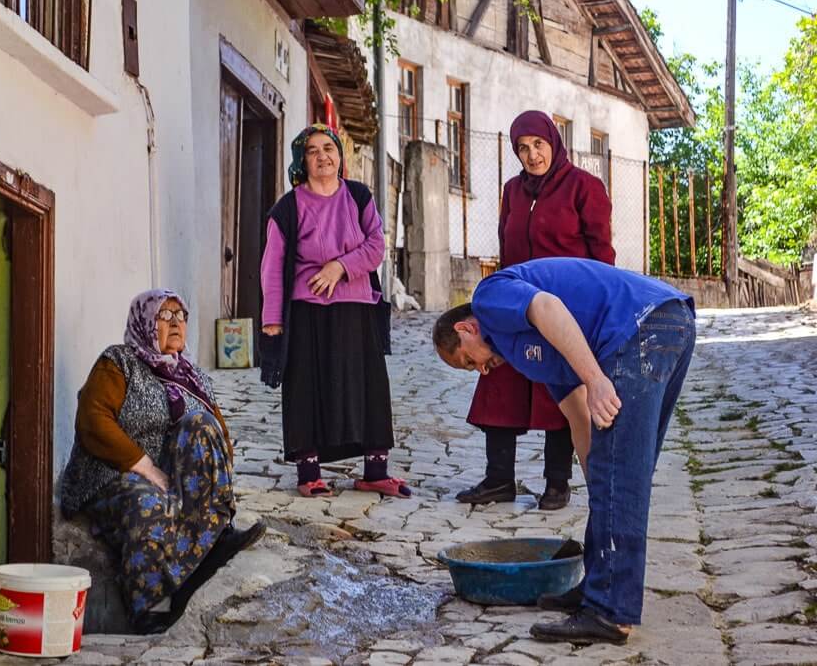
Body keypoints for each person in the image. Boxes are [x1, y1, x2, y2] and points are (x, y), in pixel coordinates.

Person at [433, 258, 695, 645]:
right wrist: (601, 488)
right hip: (664, 323)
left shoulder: (489, 298)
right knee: (619, 474)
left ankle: (608, 612)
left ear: (465, 328)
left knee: (620, 477)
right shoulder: (531, 354)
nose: (481, 370)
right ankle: (599, 587)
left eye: (469, 360)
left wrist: (596, 381)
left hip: (639, 327)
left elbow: (548, 307)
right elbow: (578, 418)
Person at [59, 289, 265, 634]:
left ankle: (217, 538)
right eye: (164, 316)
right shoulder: (118, 362)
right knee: (149, 503)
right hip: (111, 470)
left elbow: (218, 435)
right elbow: (93, 419)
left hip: (169, 471)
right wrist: (144, 465)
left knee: (202, 424)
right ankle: (148, 608)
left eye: (180, 316)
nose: (175, 324)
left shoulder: (192, 375)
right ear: (144, 321)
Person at [461, 110, 615, 511]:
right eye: (522, 148)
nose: (532, 155)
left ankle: (557, 483)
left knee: (560, 391)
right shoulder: (513, 191)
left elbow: (602, 258)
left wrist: (599, 316)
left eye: (538, 145)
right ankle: (498, 479)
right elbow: (505, 244)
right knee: (500, 382)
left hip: (567, 307)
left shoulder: (585, 187)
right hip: (515, 304)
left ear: (554, 142)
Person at [258, 123, 408, 498]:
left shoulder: (358, 196)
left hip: (357, 308)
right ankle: (309, 473)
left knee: (369, 387)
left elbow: (376, 246)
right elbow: (273, 267)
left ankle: (375, 471)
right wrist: (272, 320)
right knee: (307, 386)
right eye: (313, 150)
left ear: (340, 156)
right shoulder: (288, 208)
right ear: (301, 160)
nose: (323, 155)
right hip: (307, 312)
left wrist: (339, 267)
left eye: (329, 148)